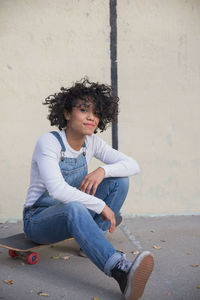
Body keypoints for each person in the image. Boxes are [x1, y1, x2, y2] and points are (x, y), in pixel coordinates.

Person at [23, 78, 154, 300]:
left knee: (119, 180)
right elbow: (57, 190)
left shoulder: (91, 142)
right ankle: (120, 270)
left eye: (96, 112)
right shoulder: (49, 142)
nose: (91, 117)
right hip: (38, 219)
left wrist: (103, 170)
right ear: (66, 113)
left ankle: (92, 242)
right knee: (73, 206)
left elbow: (133, 165)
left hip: (75, 211)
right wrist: (100, 205)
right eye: (83, 110)